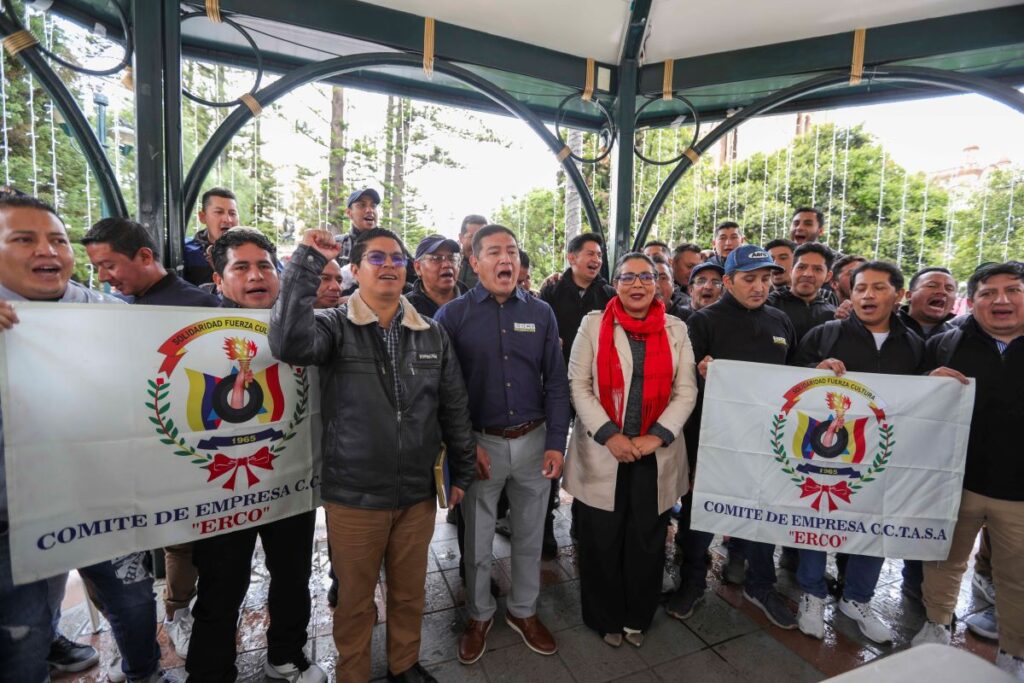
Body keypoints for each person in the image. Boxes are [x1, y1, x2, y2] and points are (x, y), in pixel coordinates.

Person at [270, 228, 475, 683]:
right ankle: (355, 673)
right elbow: (286, 344)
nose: (388, 265)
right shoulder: (334, 326)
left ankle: (404, 665)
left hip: (417, 493)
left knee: (408, 594)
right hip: (354, 496)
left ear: (407, 271)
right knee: (356, 601)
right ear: (356, 270)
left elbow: (454, 405)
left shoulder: (432, 333)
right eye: (376, 258)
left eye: (397, 259)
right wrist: (305, 262)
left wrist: (461, 467)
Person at [0, 193, 178, 683]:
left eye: (57, 239)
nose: (47, 251)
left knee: (135, 602)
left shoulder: (110, 312)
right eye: (24, 239)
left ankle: (146, 673)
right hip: (14, 520)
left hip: (102, 501)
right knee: (22, 637)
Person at [186, 228, 325, 683]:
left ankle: (285, 654)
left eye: (265, 265)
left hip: (288, 481)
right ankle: (210, 671)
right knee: (221, 589)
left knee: (292, 578)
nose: (256, 276)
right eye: (241, 267)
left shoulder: (309, 325)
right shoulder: (187, 329)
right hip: (221, 489)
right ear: (219, 279)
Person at [82, 218, 219, 665]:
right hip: (123, 457)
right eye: (98, 268)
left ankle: (180, 613)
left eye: (109, 265)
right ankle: (136, 645)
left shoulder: (195, 305)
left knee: (182, 540)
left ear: (144, 256)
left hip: (183, 452)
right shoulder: (108, 307)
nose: (104, 276)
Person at [434, 225, 571, 665]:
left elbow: (556, 383)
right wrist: (462, 445)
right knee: (476, 540)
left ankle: (524, 611)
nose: (505, 258)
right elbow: (442, 390)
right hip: (480, 446)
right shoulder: (452, 317)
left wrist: (555, 443)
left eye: (511, 250)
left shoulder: (541, 313)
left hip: (533, 442)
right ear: (474, 263)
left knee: (530, 536)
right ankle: (478, 615)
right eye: (493, 251)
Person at [565, 252, 697, 648]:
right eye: (628, 277)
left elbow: (686, 390)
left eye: (646, 277)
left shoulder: (676, 328)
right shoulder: (592, 324)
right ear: (615, 283)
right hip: (604, 449)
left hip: (654, 451)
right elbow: (578, 385)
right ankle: (605, 618)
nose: (637, 284)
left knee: (647, 539)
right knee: (600, 539)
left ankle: (637, 617)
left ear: (658, 284)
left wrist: (655, 436)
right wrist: (611, 435)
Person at [791, 261, 925, 645]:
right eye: (861, 287)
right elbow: (791, 384)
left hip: (881, 457)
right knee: (817, 523)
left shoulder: (914, 345)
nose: (868, 295)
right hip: (826, 457)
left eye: (879, 288)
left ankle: (858, 599)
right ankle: (812, 594)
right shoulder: (825, 334)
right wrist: (814, 369)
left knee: (875, 525)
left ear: (898, 296)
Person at [665, 244, 798, 629]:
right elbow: (680, 384)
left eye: (766, 279)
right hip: (712, 441)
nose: (759, 287)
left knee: (763, 514)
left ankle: (761, 585)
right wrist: (701, 371)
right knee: (699, 515)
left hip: (766, 444)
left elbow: (795, 381)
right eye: (750, 279)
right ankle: (691, 582)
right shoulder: (703, 322)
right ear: (728, 281)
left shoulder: (780, 321)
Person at [912, 262, 1024, 678]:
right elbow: (910, 401)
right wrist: (927, 380)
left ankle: (1014, 651)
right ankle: (937, 623)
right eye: (988, 292)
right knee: (942, 560)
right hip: (955, 482)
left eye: (1012, 290)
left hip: (1019, 493)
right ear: (972, 301)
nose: (1001, 300)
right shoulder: (947, 343)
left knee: (1017, 576)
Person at [767, 243, 837, 343]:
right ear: (791, 271)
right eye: (801, 267)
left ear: (828, 276)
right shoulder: (768, 305)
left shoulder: (832, 315)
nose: (807, 274)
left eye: (817, 269)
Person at [183, 187, 240, 286]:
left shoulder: (254, 250)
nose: (228, 219)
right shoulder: (185, 251)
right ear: (202, 217)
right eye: (219, 212)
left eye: (232, 213)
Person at [406, 233, 466, 318]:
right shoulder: (405, 309)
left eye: (452, 258)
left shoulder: (474, 304)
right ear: (418, 267)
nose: (447, 264)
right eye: (436, 258)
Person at [900, 266, 957, 339]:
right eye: (932, 286)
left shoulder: (958, 339)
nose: (942, 291)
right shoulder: (886, 328)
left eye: (949, 289)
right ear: (909, 295)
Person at [336, 188, 381, 266]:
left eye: (373, 206)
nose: (369, 210)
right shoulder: (337, 245)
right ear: (349, 213)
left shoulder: (391, 244)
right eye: (362, 205)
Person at [456, 214, 488, 288]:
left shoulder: (494, 267)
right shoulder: (450, 265)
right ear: (461, 238)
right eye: (472, 237)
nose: (477, 243)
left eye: (482, 237)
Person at [651, 254, 688, 319]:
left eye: (663, 278)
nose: (656, 285)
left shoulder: (690, 319)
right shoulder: (630, 320)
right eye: (649, 278)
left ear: (673, 284)